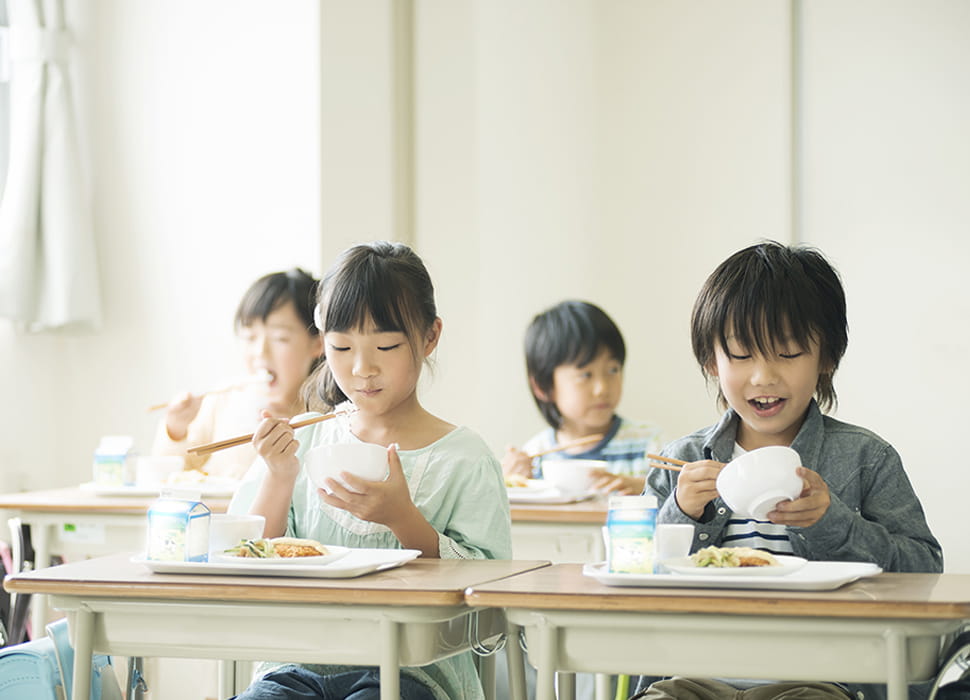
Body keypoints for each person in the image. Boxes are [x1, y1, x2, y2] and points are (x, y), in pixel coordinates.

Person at [634, 241, 943, 700]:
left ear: (827, 358)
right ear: (711, 362)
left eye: (789, 352)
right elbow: (630, 574)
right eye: (741, 355)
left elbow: (925, 572)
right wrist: (681, 515)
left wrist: (832, 523)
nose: (763, 376)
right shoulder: (683, 460)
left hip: (817, 679)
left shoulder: (865, 457)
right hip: (690, 678)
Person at [231, 241, 512, 700]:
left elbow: (489, 604)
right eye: (341, 346)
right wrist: (279, 477)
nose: (363, 368)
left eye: (386, 345)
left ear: (429, 336)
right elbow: (248, 554)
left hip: (414, 674)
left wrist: (404, 520)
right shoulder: (304, 437)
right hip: (295, 665)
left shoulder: (465, 457)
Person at [152, 268, 324, 479]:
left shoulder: (325, 410)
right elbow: (172, 471)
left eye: (280, 338)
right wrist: (176, 429)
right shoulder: (224, 398)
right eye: (250, 337)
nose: (261, 351)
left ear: (318, 344)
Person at [501, 300, 662, 495]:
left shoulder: (650, 444)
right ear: (543, 387)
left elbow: (680, 505)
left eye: (613, 370)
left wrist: (648, 489)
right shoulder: (535, 457)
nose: (602, 389)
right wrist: (511, 483)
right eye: (585, 375)